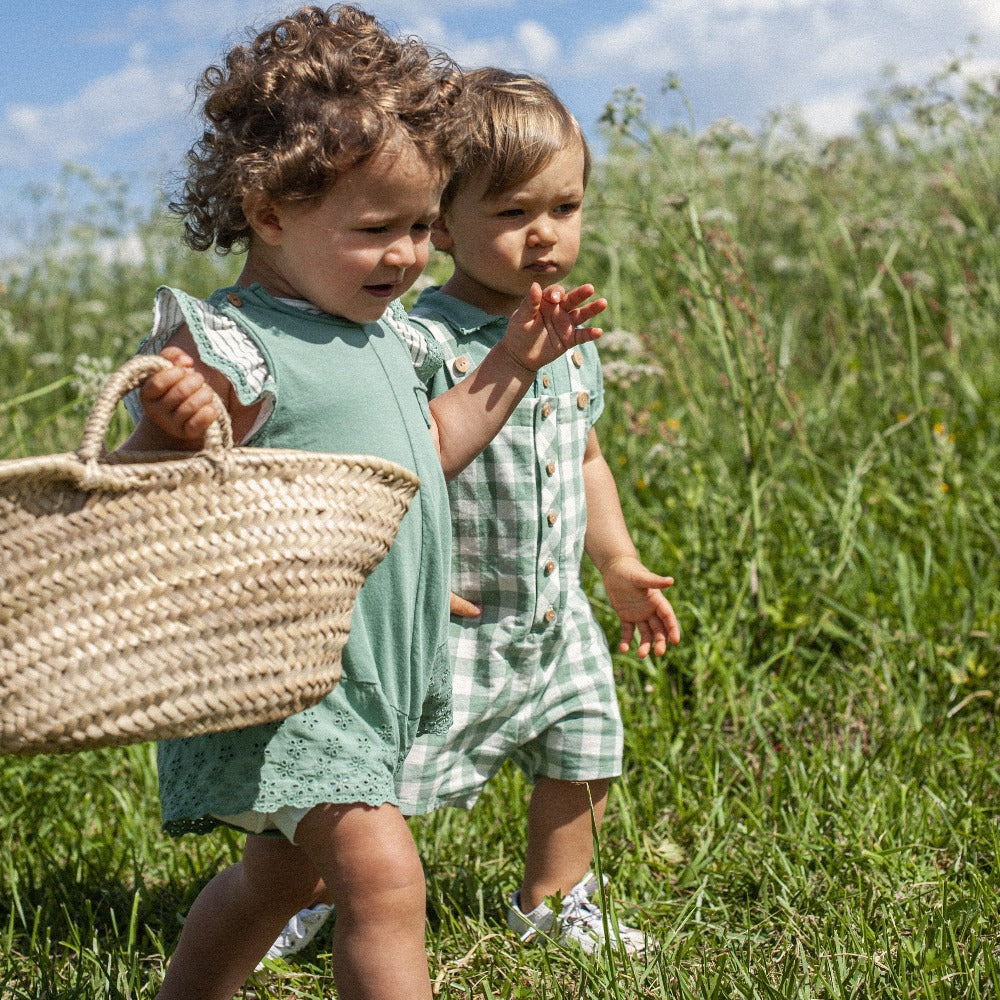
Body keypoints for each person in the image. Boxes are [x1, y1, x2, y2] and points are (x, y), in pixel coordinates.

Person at [120, 12, 605, 1000]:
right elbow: (139, 493)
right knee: (386, 879)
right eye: (375, 230)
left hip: (369, 676)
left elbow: (427, 449)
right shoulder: (233, 343)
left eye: (424, 226)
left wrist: (510, 361)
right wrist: (167, 429)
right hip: (289, 676)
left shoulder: (384, 336)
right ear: (266, 212)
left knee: (276, 878)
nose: (408, 257)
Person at [268, 67, 680, 963]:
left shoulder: (568, 333)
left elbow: (586, 454)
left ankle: (554, 900)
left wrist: (615, 565)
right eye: (513, 213)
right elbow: (399, 461)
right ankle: (291, 896)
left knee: (585, 745)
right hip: (445, 617)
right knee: (371, 780)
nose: (545, 235)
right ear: (443, 223)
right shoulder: (416, 339)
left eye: (564, 208)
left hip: (549, 610)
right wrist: (401, 569)